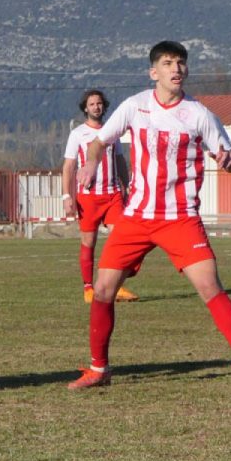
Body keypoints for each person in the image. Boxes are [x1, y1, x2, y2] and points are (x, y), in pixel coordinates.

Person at [68, 41, 231, 395]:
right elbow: (99, 141)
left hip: (180, 218)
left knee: (210, 287)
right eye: (168, 63)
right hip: (137, 217)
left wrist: (230, 162)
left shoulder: (200, 114)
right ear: (153, 72)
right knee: (102, 290)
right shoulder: (135, 106)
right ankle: (99, 368)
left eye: (181, 63)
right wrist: (93, 159)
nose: (176, 69)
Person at [62, 90, 138, 303]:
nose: (96, 107)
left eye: (99, 103)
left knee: (121, 239)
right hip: (88, 197)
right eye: (92, 104)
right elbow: (68, 166)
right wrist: (66, 196)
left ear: (104, 106)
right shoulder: (78, 133)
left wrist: (128, 185)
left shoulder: (112, 132)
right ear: (85, 108)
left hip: (113, 195)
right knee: (89, 242)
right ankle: (88, 289)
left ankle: (116, 286)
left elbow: (120, 160)